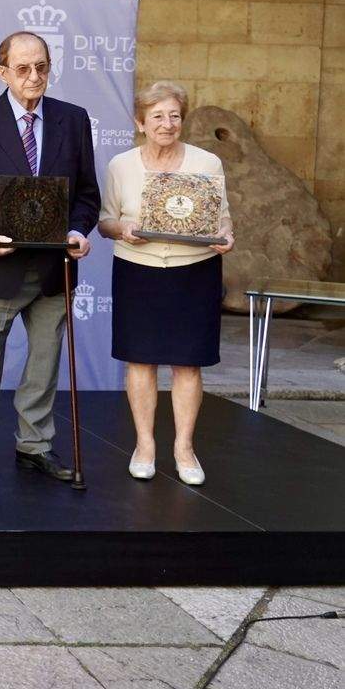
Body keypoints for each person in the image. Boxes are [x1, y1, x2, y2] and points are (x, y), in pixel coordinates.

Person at [0, 30, 101, 483]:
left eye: (42, 67)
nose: (35, 77)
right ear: (2, 72)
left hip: (55, 267)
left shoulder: (73, 119)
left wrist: (77, 229)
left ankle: (34, 445)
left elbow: (88, 194)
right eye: (24, 68)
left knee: (45, 361)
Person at [97, 82, 233, 486]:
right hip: (138, 270)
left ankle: (184, 449)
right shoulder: (120, 165)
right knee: (140, 360)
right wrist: (124, 228)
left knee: (188, 362)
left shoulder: (207, 162)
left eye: (174, 115)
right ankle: (144, 446)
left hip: (195, 271)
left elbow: (223, 217)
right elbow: (105, 222)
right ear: (141, 122)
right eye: (157, 115)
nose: (167, 123)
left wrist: (226, 234)